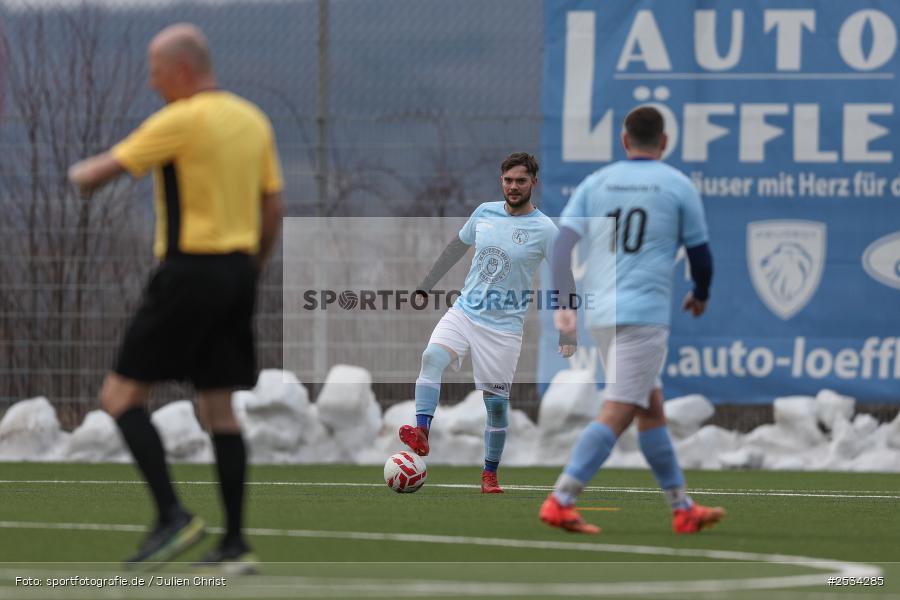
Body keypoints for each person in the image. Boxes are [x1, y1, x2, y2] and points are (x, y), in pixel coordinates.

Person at [67, 23, 283, 570]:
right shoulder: (252, 119)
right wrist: (251, 267)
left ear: (182, 70)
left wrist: (79, 174)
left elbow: (97, 173)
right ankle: (234, 543)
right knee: (219, 408)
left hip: (189, 272)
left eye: (155, 71)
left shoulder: (180, 120)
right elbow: (273, 206)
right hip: (239, 272)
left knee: (119, 396)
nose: (151, 81)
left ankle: (171, 515)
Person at [539, 106, 723, 534]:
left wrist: (563, 300)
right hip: (643, 317)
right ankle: (561, 499)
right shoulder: (677, 185)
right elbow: (701, 256)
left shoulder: (596, 183)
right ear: (664, 142)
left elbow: (563, 244)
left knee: (650, 411)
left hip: (601, 315)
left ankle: (682, 507)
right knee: (620, 411)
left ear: (624, 141)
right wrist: (701, 294)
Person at [399, 152, 576, 493]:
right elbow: (456, 247)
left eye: (520, 181)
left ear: (533, 184)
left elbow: (564, 278)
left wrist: (568, 327)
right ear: (502, 180)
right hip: (465, 311)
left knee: (495, 405)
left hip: (504, 327)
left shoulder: (544, 229)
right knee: (431, 357)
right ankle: (422, 431)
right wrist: (427, 283)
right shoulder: (484, 212)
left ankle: (490, 474)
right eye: (508, 180)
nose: (513, 187)